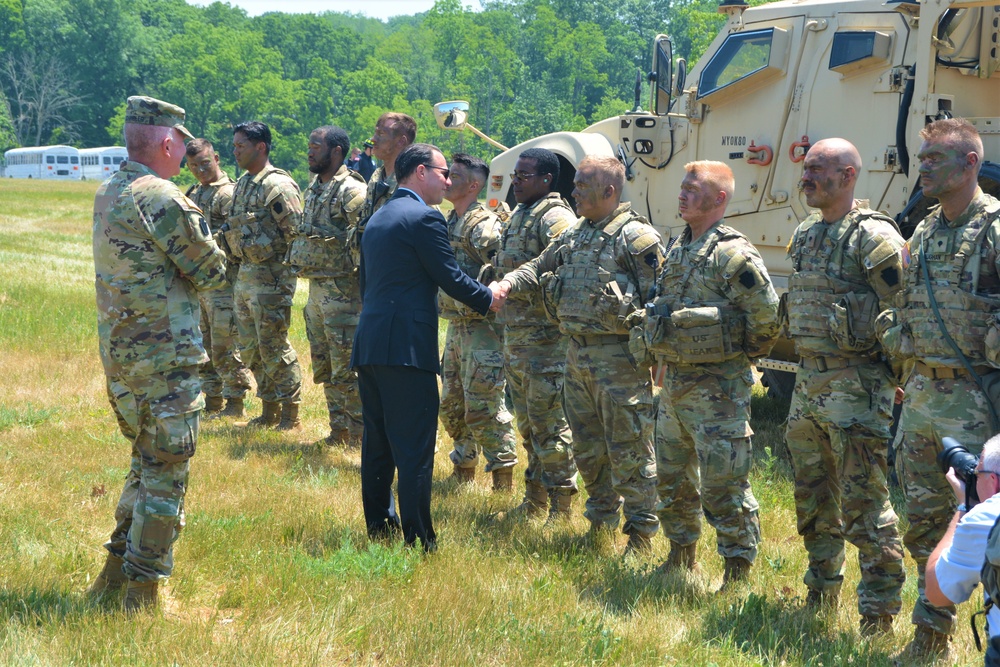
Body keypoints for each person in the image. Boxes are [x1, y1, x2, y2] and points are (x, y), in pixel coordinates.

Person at [89, 95, 227, 610]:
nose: (186, 155)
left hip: (125, 359)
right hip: (166, 361)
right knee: (165, 477)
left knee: (145, 465)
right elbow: (211, 271)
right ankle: (143, 594)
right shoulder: (161, 196)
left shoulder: (110, 188)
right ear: (168, 142)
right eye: (183, 145)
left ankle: (112, 576)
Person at [876, 118, 1000, 661]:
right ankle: (931, 638)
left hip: (973, 402)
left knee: (977, 523)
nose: (922, 166)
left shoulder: (995, 228)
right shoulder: (924, 230)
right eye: (921, 157)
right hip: (922, 395)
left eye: (934, 158)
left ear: (970, 163)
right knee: (925, 520)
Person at [494, 156, 663, 552]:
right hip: (576, 358)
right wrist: (506, 284)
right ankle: (600, 526)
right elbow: (539, 266)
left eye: (583, 185)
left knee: (631, 452)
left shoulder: (636, 238)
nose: (574, 191)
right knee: (589, 451)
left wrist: (657, 359)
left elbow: (659, 302)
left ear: (609, 191)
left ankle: (640, 538)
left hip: (619, 363)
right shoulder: (578, 233)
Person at [351, 143, 502, 552]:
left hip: (371, 342)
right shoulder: (425, 218)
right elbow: (450, 277)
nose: (448, 181)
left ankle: (381, 530)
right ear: (420, 172)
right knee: (414, 448)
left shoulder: (380, 214)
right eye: (443, 173)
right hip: (406, 349)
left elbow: (365, 284)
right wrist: (490, 297)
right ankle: (419, 539)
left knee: (379, 444)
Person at [783, 139, 906, 634]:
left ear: (849, 175)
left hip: (856, 390)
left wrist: (896, 379)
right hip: (808, 383)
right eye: (806, 167)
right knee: (812, 496)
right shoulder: (807, 233)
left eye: (818, 169)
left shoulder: (873, 237)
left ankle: (878, 613)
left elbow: (904, 314)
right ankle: (821, 588)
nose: (807, 176)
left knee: (865, 505)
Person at [647, 161, 778, 590]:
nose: (682, 194)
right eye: (682, 187)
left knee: (724, 486)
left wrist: (735, 359)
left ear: (719, 199)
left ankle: (737, 573)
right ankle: (680, 555)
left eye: (693, 189)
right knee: (672, 480)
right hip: (675, 389)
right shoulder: (681, 247)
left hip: (718, 394)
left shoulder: (731, 253)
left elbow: (767, 318)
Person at [493, 148, 578, 523]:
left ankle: (561, 506)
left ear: (547, 180)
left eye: (524, 176)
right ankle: (535, 499)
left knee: (550, 427)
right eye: (514, 175)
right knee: (528, 425)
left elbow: (561, 266)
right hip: (518, 339)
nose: (516, 181)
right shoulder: (522, 213)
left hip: (546, 343)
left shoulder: (556, 217)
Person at [440, 153, 518, 489]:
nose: (447, 180)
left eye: (454, 176)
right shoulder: (448, 220)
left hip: (484, 330)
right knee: (453, 405)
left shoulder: (484, 226)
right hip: (456, 325)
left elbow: (503, 274)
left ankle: (503, 478)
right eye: (446, 174)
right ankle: (464, 470)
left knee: (484, 404)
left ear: (474, 185)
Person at [286, 126, 367, 445]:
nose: (309, 151)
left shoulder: (350, 190)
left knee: (349, 370)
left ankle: (360, 435)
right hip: (317, 294)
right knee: (325, 366)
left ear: (336, 151)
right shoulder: (315, 187)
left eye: (315, 146)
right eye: (309, 145)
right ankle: (339, 430)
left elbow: (365, 240)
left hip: (344, 296)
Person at [225, 121, 304, 430]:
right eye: (234, 146)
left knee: (273, 345)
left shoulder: (277, 185)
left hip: (272, 278)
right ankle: (268, 408)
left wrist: (272, 260)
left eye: (240, 146)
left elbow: (295, 231)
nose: (235, 151)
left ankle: (290, 414)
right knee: (250, 347)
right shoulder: (244, 183)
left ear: (261, 147)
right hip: (245, 276)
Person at [185, 138, 253, 418]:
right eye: (193, 166)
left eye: (204, 163)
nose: (200, 170)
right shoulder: (193, 192)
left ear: (216, 159)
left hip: (224, 284)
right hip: (199, 284)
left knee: (225, 346)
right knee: (202, 347)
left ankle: (235, 403)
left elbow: (237, 239)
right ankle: (212, 401)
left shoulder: (228, 193)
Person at [925, 435, 1000, 665]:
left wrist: (964, 508)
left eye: (978, 474)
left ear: (995, 482)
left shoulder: (986, 518)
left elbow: (937, 593)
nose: (975, 480)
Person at [351, 113, 415, 265]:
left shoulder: (414, 181)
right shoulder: (377, 176)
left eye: (381, 134)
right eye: (375, 133)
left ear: (401, 141)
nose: (373, 139)